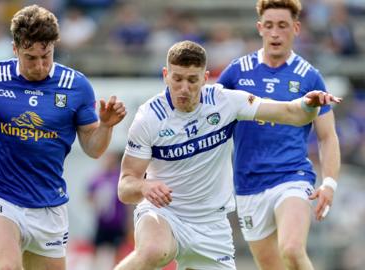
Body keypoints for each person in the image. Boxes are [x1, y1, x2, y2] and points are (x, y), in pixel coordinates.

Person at [0, 5, 126, 270]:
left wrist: (106, 126)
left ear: (54, 46)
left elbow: (94, 149)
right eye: (30, 57)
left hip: (48, 206)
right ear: (15, 49)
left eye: (46, 56)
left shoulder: (76, 86)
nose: (40, 65)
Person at [114, 40, 340, 270]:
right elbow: (125, 186)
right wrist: (144, 187)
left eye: (192, 80)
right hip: (166, 214)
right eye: (177, 79)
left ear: (205, 78)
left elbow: (292, 114)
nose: (184, 88)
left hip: (212, 227)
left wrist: (308, 104)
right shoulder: (148, 118)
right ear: (165, 75)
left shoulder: (225, 101)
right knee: (154, 250)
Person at [216, 1, 341, 269]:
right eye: (269, 26)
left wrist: (329, 182)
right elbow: (211, 115)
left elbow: (327, 136)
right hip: (248, 184)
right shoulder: (237, 72)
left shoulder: (309, 77)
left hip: (292, 177)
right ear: (259, 28)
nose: (275, 33)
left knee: (292, 251)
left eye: (282, 26)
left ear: (295, 28)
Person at [87, 151, 130, 270]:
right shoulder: (98, 178)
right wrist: (98, 203)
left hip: (117, 222)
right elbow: (89, 195)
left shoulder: (119, 178)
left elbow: (127, 202)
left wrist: (128, 222)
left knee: (118, 251)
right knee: (96, 248)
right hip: (102, 222)